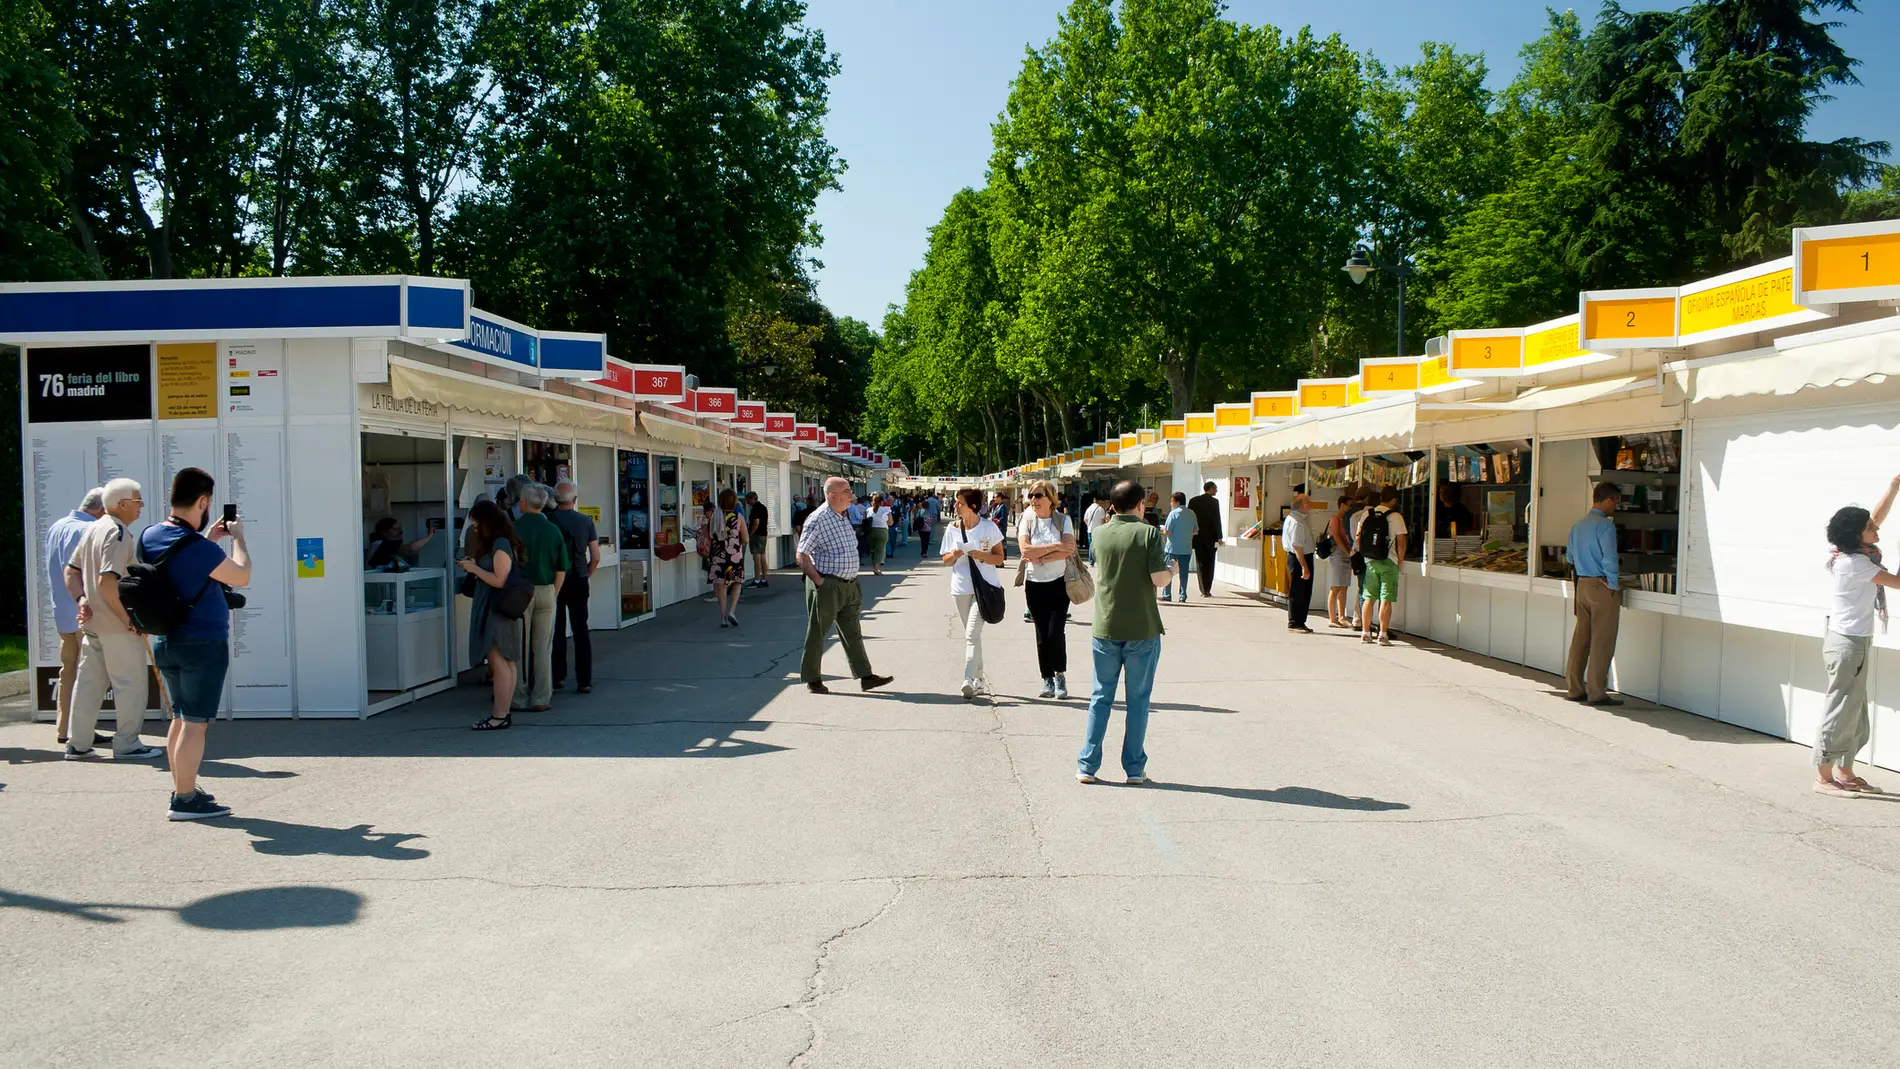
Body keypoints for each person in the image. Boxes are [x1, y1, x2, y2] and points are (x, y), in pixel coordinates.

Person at [141, 466, 249, 820]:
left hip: (167, 640)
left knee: (181, 718)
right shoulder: (198, 547)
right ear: (203, 501)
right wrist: (238, 539)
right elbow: (242, 575)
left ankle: (182, 787)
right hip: (202, 642)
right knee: (196, 722)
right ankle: (185, 799)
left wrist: (210, 538)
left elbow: (179, 569)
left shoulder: (150, 535)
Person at [1078, 480, 1174, 785]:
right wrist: (1172, 569)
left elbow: (1097, 563)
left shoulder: (1100, 533)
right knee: (1138, 700)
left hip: (1105, 625)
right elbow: (1159, 579)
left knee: (1100, 696)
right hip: (1142, 627)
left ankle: (1087, 765)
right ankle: (1133, 768)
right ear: (1140, 504)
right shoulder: (1149, 534)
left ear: (1112, 505)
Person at [63, 478, 164, 761]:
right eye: (137, 500)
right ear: (122, 505)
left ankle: (78, 744)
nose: (141, 505)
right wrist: (129, 621)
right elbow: (108, 583)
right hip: (116, 626)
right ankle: (127, 743)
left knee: (88, 684)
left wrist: (82, 600)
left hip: (93, 624)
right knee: (130, 684)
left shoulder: (93, 528)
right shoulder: (119, 533)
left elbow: (71, 572)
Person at [1814, 479, 1900, 796]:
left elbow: (1875, 518)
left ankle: (1845, 771)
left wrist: (1893, 489)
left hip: (1853, 641)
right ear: (1856, 535)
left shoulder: (1850, 552)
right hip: (1848, 644)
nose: (1877, 530)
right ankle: (1823, 777)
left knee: (1855, 712)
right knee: (1841, 710)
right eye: (1869, 527)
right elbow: (1898, 583)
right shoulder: (1856, 563)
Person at [797, 477, 893, 694]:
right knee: (818, 632)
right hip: (828, 584)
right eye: (847, 491)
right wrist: (820, 582)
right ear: (832, 495)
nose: (852, 496)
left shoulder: (841, 516)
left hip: (849, 585)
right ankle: (813, 678)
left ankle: (866, 676)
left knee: (853, 632)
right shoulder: (818, 518)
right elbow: (802, 555)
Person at [45, 486, 105, 748]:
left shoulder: (57, 526)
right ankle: (81, 732)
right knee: (88, 675)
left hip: (62, 612)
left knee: (68, 671)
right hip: (84, 612)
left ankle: (64, 728)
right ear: (102, 510)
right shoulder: (88, 530)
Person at [459, 500, 522, 731]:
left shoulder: (500, 544)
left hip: (496, 609)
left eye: (476, 523)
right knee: (507, 662)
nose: (474, 528)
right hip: (501, 609)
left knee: (499, 662)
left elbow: (500, 580)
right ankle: (503, 713)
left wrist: (474, 569)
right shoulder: (504, 542)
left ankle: (499, 714)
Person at [510, 483, 569, 711]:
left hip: (519, 591)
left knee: (519, 648)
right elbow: (561, 567)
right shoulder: (553, 530)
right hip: (546, 589)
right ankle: (542, 697)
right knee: (543, 647)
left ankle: (518, 696)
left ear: (523, 502)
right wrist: (554, 591)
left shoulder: (513, 528)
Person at [942, 487, 1005, 700]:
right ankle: (979, 680)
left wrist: (981, 556)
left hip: (984, 588)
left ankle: (968, 679)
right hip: (960, 589)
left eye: (960, 502)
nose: (955, 506)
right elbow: (945, 560)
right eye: (956, 502)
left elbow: (1000, 558)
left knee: (971, 635)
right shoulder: (952, 528)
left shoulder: (989, 528)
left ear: (973, 506)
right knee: (973, 637)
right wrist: (955, 553)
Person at [1564, 482, 1624, 704]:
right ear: (1609, 500)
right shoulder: (1606, 527)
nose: (1615, 507)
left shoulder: (1577, 526)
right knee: (1602, 640)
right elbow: (1609, 557)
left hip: (1582, 585)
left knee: (1581, 639)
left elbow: (1569, 557)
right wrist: (1614, 583)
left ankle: (1574, 688)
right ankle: (1597, 692)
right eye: (1616, 502)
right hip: (1602, 586)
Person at [1017, 479, 1077, 699]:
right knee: (1042, 634)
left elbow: (1068, 550)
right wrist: (1053, 547)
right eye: (1031, 496)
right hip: (1034, 584)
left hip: (1058, 583)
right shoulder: (1027, 519)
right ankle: (1047, 678)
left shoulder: (1063, 520)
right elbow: (1025, 550)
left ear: (1050, 499)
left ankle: (1060, 675)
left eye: (1038, 495)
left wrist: (1039, 553)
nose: (1033, 500)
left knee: (1055, 631)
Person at [549, 480, 599, 694]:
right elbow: (595, 556)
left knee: (556, 629)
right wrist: (587, 571)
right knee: (581, 629)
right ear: (575, 500)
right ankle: (584, 680)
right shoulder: (585, 522)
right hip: (578, 578)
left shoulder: (548, 520)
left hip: (554, 580)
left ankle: (557, 676)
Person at [1357, 487, 1408, 647]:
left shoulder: (1367, 514)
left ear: (1380, 497)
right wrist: (1400, 559)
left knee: (1369, 597)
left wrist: (1364, 553)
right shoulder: (1396, 517)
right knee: (1385, 598)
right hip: (1389, 561)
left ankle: (1365, 633)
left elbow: (1358, 536)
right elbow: (1401, 541)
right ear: (1394, 500)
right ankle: (1383, 635)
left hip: (1370, 561)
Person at [710, 488, 748, 627]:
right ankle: (732, 610)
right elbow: (745, 539)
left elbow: (710, 535)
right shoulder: (738, 517)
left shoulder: (714, 516)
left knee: (721, 585)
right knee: (737, 581)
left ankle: (722, 617)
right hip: (734, 554)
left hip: (718, 554)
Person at [1282, 493, 1316, 634]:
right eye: (1308, 502)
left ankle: (1300, 621)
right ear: (1302, 505)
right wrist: (1304, 567)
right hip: (1299, 558)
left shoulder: (1297, 518)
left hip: (1300, 556)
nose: (1310, 504)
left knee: (1304, 591)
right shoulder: (1297, 521)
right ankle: (1295, 622)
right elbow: (1297, 546)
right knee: (1298, 591)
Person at [1188, 481, 1223, 598]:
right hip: (1211, 538)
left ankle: (1202, 588)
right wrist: (1219, 537)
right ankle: (1207, 588)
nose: (1216, 491)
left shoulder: (1193, 501)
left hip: (1197, 537)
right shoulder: (1214, 502)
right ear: (1211, 489)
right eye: (1215, 488)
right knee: (1210, 562)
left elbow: (1190, 520)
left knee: (1200, 562)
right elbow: (1216, 520)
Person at [1326, 493, 1356, 628]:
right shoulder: (1335, 518)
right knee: (1336, 586)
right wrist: (1347, 551)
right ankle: (1332, 617)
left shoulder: (1346, 519)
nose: (1351, 508)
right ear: (1342, 505)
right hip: (1338, 554)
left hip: (1346, 553)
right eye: (1350, 505)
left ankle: (1342, 616)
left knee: (1344, 586)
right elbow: (1337, 537)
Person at [1161, 492, 1196, 602]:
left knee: (1168, 571)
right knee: (1184, 573)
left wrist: (1161, 530)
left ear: (1177, 502)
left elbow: (1167, 532)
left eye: (1172, 501)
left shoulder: (1173, 514)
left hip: (1172, 548)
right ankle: (1182, 596)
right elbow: (1195, 531)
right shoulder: (1192, 514)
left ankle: (1167, 595)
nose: (1171, 503)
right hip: (1186, 548)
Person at [364, 516, 434, 569]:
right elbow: (409, 549)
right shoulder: (379, 544)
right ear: (384, 531)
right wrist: (429, 536)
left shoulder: (380, 544)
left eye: (399, 529)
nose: (399, 532)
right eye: (395, 529)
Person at [745, 491, 770, 586]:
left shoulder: (755, 509)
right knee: (762, 556)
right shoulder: (763, 507)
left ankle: (757, 579)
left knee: (756, 557)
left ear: (752, 499)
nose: (747, 503)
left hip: (756, 535)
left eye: (748, 500)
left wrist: (750, 534)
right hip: (763, 534)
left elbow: (756, 522)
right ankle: (764, 578)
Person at [866, 492, 893, 575]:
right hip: (882, 531)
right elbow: (890, 523)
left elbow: (865, 521)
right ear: (882, 502)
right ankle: (876, 568)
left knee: (873, 550)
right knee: (880, 550)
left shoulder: (868, 510)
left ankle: (874, 566)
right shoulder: (886, 510)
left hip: (871, 531)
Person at [1082, 492, 1109, 564]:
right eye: (1102, 501)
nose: (1103, 503)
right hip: (1098, 530)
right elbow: (1102, 521)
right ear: (1099, 501)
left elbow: (1085, 519)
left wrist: (1090, 525)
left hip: (1090, 530)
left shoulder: (1089, 508)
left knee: (1091, 545)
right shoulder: (1100, 509)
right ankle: (1097, 560)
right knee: (1097, 545)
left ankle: (1091, 560)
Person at [918, 491, 941, 558]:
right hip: (933, 516)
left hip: (923, 522)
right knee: (932, 528)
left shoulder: (925, 501)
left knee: (923, 536)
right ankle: (930, 540)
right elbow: (938, 508)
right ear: (933, 495)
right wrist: (939, 517)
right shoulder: (935, 501)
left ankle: (924, 547)